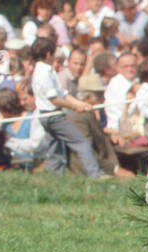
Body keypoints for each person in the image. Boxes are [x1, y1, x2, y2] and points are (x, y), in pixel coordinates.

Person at [31, 38, 108, 178]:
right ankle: (95, 174)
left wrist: (80, 104)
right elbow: (54, 99)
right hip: (52, 116)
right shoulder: (45, 72)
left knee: (55, 147)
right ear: (48, 54)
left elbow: (63, 93)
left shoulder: (41, 70)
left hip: (45, 115)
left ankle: (55, 175)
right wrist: (74, 106)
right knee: (80, 141)